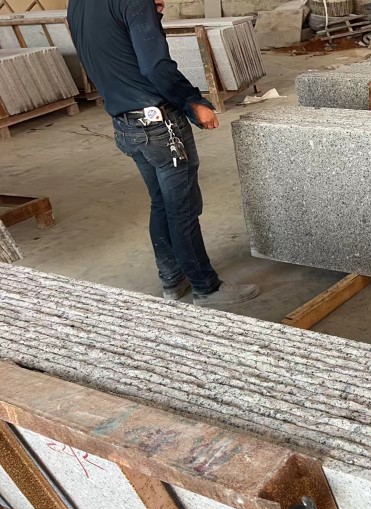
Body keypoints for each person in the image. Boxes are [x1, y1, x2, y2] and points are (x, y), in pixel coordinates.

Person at [67, 0, 259, 307]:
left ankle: (172, 280)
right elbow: (155, 66)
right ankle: (206, 288)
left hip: (126, 123)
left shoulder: (77, 4)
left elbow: (109, 50)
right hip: (159, 126)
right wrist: (193, 101)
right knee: (182, 209)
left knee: (162, 203)